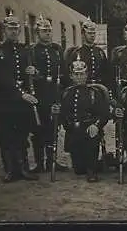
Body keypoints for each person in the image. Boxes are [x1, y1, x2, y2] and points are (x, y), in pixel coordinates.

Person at [0, 11, 39, 182]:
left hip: (21, 102)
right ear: (4, 30)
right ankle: (10, 170)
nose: (14, 32)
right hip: (4, 100)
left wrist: (34, 72)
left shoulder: (24, 51)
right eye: (10, 28)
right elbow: (2, 78)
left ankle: (23, 169)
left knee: (22, 134)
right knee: (6, 135)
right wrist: (21, 94)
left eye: (16, 28)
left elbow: (31, 74)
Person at [52, 54, 110, 182]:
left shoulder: (94, 92)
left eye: (82, 74)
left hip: (89, 129)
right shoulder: (67, 93)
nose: (79, 77)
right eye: (76, 74)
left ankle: (93, 170)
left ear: (87, 75)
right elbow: (64, 114)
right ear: (71, 76)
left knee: (91, 145)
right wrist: (57, 112)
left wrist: (96, 125)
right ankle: (101, 163)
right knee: (78, 170)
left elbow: (103, 113)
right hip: (73, 132)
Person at [28, 15, 69, 173]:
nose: (48, 34)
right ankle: (39, 163)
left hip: (54, 92)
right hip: (38, 94)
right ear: (37, 32)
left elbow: (63, 71)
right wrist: (34, 73)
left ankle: (52, 161)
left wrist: (63, 91)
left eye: (49, 31)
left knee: (53, 128)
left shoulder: (57, 50)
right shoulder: (31, 50)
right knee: (38, 129)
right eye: (44, 31)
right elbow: (29, 73)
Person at [64, 16, 110, 87]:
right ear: (83, 34)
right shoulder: (76, 53)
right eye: (89, 33)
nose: (92, 36)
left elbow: (106, 72)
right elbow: (70, 74)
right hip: (83, 87)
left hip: (99, 87)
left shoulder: (100, 52)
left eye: (93, 33)